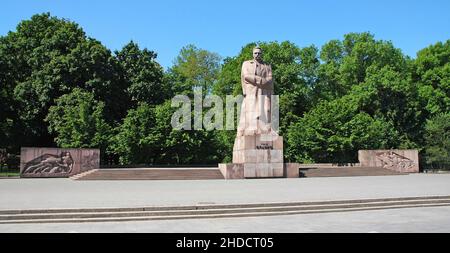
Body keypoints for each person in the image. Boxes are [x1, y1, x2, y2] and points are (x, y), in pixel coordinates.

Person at [237, 46, 274, 136]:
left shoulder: (267, 65)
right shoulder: (246, 63)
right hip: (251, 91)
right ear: (253, 54)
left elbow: (270, 78)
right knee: (251, 110)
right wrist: (261, 81)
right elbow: (246, 76)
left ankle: (265, 129)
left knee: (266, 110)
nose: (257, 55)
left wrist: (265, 82)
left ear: (261, 54)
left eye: (259, 53)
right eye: (255, 53)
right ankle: (251, 129)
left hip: (264, 92)